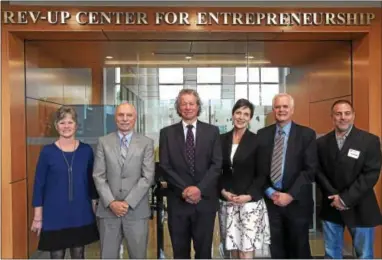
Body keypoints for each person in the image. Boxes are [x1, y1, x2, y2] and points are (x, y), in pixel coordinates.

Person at [159, 89, 222, 259]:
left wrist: (198, 189)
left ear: (197, 106)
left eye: (191, 103)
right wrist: (186, 189)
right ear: (178, 107)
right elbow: (165, 166)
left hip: (205, 202)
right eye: (183, 103)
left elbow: (217, 165)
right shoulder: (166, 133)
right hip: (178, 202)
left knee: (204, 253)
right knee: (180, 253)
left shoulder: (212, 132)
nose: (187, 107)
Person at [316, 99, 382, 259]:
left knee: (364, 255)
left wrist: (345, 199)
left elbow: (371, 174)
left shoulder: (369, 141)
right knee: (331, 254)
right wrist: (335, 197)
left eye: (347, 113)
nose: (342, 117)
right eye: (338, 114)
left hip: (361, 206)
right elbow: (317, 172)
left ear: (353, 116)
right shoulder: (321, 143)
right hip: (331, 205)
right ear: (332, 117)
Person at [31, 106, 99, 259]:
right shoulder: (47, 152)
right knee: (56, 254)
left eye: (70, 122)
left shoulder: (86, 150)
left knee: (78, 253)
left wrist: (95, 209)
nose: (66, 126)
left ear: (76, 125)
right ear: (56, 126)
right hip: (54, 213)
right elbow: (39, 184)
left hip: (80, 212)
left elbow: (91, 182)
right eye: (62, 122)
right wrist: (37, 217)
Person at [255, 93, 318, 259]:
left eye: (285, 107)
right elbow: (259, 170)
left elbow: (310, 170)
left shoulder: (307, 135)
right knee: (276, 249)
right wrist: (270, 192)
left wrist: (289, 195)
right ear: (273, 110)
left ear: (292, 110)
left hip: (297, 202)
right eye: (277, 107)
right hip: (271, 202)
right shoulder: (262, 135)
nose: (281, 110)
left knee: (299, 249)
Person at [93, 102, 155, 259]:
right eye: (121, 115)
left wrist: (127, 203)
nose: (125, 119)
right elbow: (98, 175)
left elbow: (147, 177)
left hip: (136, 210)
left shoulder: (146, 143)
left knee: (138, 256)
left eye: (129, 115)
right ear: (115, 118)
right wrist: (112, 202)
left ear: (135, 118)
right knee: (108, 256)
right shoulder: (103, 142)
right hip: (108, 211)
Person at [219, 99, 271, 259]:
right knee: (232, 250)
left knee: (245, 251)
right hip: (228, 201)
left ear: (250, 118)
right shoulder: (221, 139)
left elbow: (263, 174)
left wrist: (249, 195)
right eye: (238, 113)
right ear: (233, 114)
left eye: (246, 114)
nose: (241, 117)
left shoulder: (258, 141)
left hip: (250, 204)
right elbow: (217, 169)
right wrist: (222, 191)